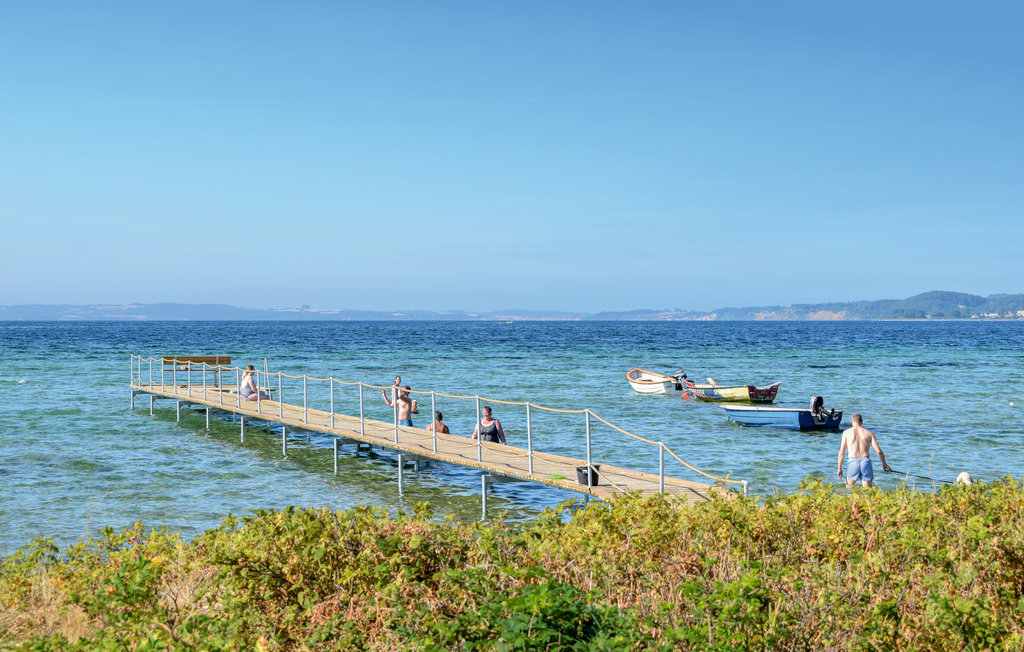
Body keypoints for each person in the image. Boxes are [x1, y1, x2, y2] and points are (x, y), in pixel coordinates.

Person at [837, 413, 891, 488]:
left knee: (849, 488)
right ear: (861, 422)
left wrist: (839, 467)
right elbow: (879, 451)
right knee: (868, 490)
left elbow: (841, 453)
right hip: (865, 461)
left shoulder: (846, 433)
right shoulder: (869, 433)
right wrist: (884, 464)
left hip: (853, 461)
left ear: (851, 421)